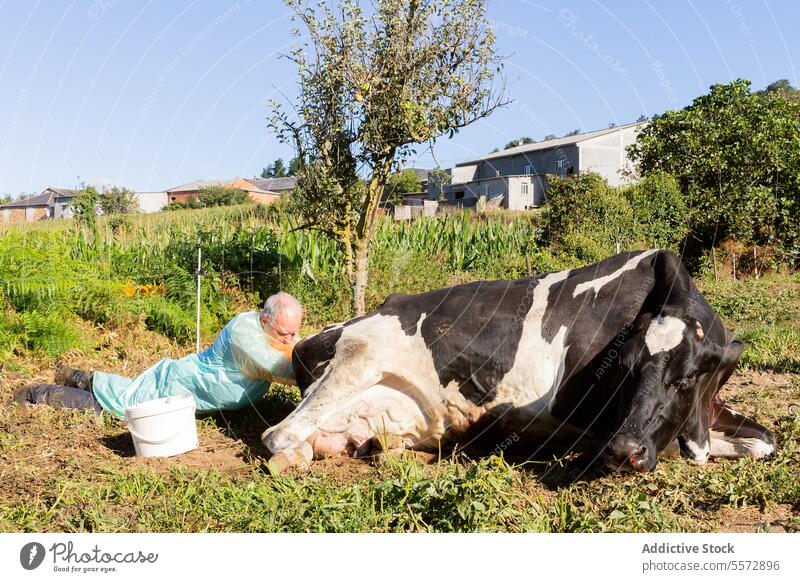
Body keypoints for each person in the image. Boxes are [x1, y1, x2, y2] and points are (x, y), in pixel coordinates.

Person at [11, 292, 303, 418]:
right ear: (265, 320)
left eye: (294, 333)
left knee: (127, 390)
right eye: (285, 334)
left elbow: (292, 350)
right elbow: (279, 368)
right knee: (123, 405)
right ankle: (37, 393)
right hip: (183, 385)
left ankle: (72, 375)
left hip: (194, 390)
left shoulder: (272, 331)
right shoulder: (245, 333)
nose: (291, 339)